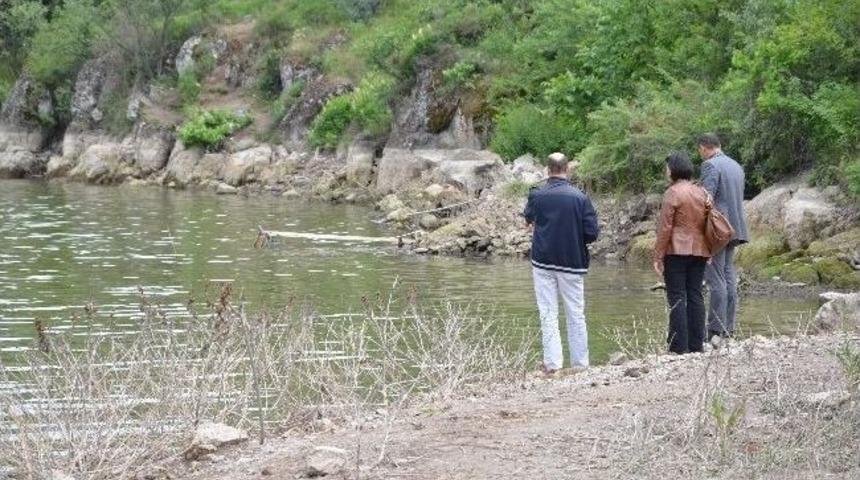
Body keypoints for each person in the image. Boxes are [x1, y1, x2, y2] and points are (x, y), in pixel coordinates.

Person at [524, 152, 600, 373]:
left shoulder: (537, 195)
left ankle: (553, 364)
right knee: (575, 312)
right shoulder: (580, 197)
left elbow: (529, 219)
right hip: (572, 261)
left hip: (543, 261)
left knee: (547, 311)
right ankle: (580, 364)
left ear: (548, 171)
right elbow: (592, 233)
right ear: (567, 170)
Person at [653, 153, 710, 354]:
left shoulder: (672, 193)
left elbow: (665, 228)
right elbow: (709, 221)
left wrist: (658, 256)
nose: (666, 171)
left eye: (667, 168)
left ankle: (679, 346)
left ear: (673, 170)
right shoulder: (702, 191)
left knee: (677, 296)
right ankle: (697, 344)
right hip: (700, 250)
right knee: (695, 294)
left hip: (677, 250)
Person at [698, 134, 749, 339]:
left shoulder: (710, 166)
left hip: (718, 230)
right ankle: (728, 327)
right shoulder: (736, 165)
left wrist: (701, 231)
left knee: (715, 277)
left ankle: (715, 329)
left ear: (703, 148)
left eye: (699, 151)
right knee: (729, 276)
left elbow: (707, 199)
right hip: (736, 227)